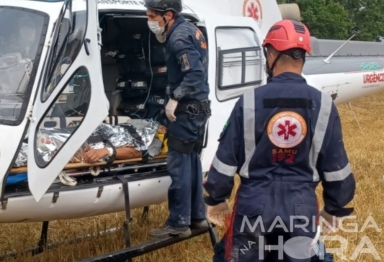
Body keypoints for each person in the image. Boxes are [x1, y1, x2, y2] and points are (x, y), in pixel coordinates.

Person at [203, 19, 356, 261]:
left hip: (253, 207)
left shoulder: (249, 101)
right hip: (301, 208)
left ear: (271, 53)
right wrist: (335, 208)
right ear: (303, 56)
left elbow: (224, 160)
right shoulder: (324, 104)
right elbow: (337, 169)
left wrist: (216, 198)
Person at [143, 0, 212, 238]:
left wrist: (175, 97)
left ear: (168, 15)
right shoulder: (191, 29)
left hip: (186, 111)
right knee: (192, 163)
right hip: (198, 109)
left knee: (179, 165)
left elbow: (194, 73)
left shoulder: (179, 37)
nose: (148, 21)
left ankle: (178, 222)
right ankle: (198, 217)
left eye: (152, 16)